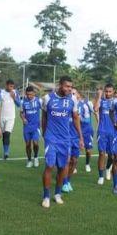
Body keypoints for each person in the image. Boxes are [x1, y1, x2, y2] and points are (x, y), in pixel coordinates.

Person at [40, 76, 83, 208]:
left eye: (71, 87)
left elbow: (75, 118)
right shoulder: (48, 99)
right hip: (51, 138)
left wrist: (80, 137)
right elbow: (44, 116)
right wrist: (44, 133)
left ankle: (57, 194)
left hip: (65, 139)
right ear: (60, 85)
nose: (69, 89)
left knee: (63, 167)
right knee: (49, 166)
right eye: (67, 86)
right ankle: (46, 196)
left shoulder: (73, 99)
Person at [94, 84, 117, 185]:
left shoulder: (116, 102)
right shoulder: (101, 101)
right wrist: (99, 96)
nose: (107, 93)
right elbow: (95, 109)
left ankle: (108, 169)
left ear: (113, 92)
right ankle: (100, 176)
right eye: (106, 91)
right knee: (102, 153)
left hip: (113, 132)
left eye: (110, 91)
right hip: (102, 131)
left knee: (111, 155)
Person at [19, 85, 42, 168]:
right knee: (28, 144)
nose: (29, 96)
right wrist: (23, 119)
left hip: (36, 126)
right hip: (27, 127)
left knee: (35, 143)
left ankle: (36, 158)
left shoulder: (39, 100)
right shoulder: (23, 102)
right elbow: (21, 113)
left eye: (31, 94)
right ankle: (29, 160)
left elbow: (45, 110)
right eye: (27, 94)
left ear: (34, 93)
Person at [0, 79, 19, 160]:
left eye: (12, 86)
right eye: (10, 86)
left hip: (11, 117)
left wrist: (14, 98)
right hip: (2, 117)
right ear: (6, 85)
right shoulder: (1, 92)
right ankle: (5, 151)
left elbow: (18, 104)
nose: (11, 88)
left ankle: (6, 153)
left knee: (7, 134)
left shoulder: (15, 92)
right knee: (4, 136)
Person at [76, 90, 95, 173]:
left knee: (88, 149)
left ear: (79, 94)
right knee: (75, 149)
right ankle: (74, 166)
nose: (72, 95)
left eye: (74, 93)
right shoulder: (72, 103)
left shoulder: (88, 103)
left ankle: (87, 164)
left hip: (87, 130)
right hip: (76, 130)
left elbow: (95, 111)